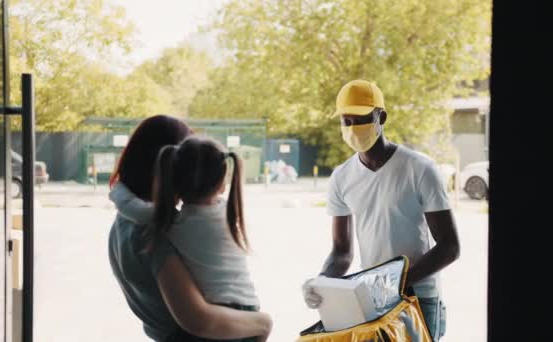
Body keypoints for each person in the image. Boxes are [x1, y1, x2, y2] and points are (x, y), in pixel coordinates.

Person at [302, 80, 460, 341]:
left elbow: (450, 247)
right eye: (346, 121)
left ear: (381, 116)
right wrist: (322, 283)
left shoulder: (420, 169)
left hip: (419, 298)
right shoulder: (342, 177)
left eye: (361, 119)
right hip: (370, 299)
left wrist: (396, 282)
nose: (353, 129)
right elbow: (342, 252)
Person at [108, 115, 272, 342]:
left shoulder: (126, 223)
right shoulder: (157, 229)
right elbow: (199, 320)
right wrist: (263, 323)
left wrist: (118, 191)